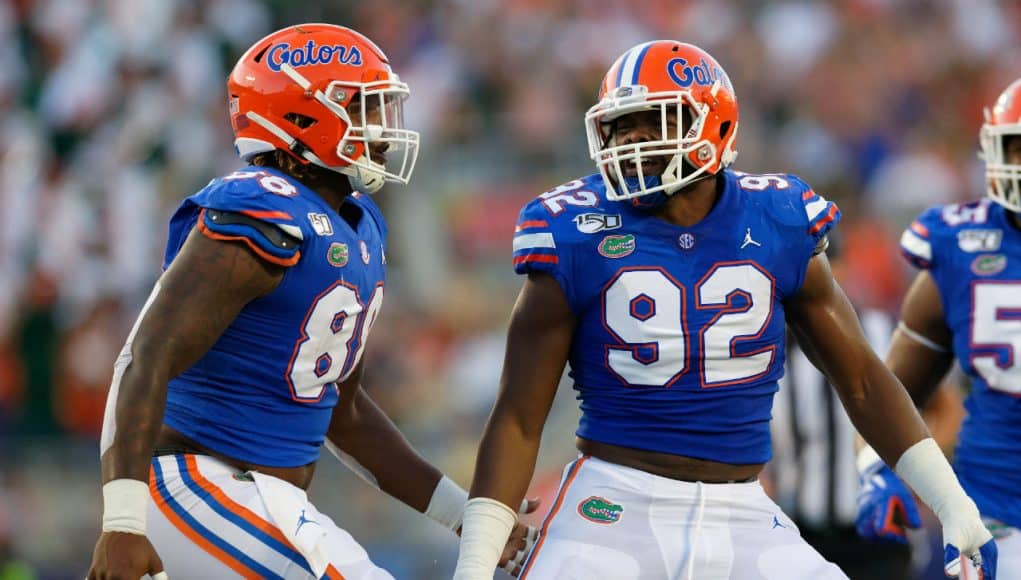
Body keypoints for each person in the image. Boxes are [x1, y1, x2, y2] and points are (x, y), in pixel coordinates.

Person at [451, 41, 996, 580]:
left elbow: (862, 380)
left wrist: (953, 504)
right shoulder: (574, 229)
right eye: (621, 126)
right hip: (612, 503)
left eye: (652, 121)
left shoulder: (778, 217)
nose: (632, 139)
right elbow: (520, 415)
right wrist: (474, 563)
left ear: (711, 126)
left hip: (742, 507)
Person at [87, 24, 535, 580]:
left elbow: (343, 414)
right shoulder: (260, 205)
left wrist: (463, 514)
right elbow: (144, 355)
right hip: (196, 483)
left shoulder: (359, 225)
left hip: (272, 502)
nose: (381, 128)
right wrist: (123, 521)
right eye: (363, 109)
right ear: (301, 119)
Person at [855, 77, 1021, 579]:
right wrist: (879, 470)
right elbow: (891, 392)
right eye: (1018, 148)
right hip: (999, 513)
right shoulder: (960, 249)